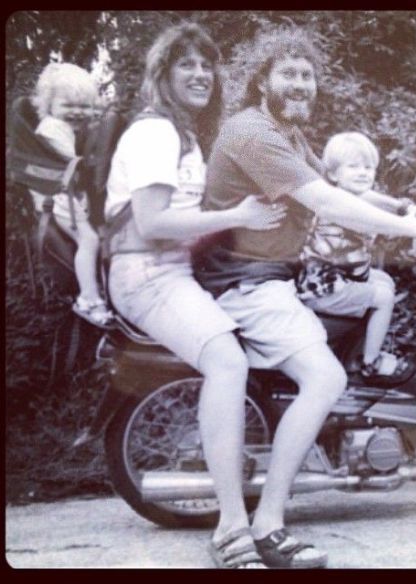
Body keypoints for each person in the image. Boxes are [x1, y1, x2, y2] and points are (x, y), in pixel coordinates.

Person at [195, 27, 416, 569]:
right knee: (326, 378)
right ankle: (267, 524)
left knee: (366, 303)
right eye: (288, 74)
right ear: (262, 81)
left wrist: (408, 211)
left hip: (272, 278)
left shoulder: (287, 135)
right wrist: (415, 232)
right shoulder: (253, 133)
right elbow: (327, 204)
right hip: (247, 284)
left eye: (307, 75)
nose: (300, 84)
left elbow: (340, 189)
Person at [104, 22, 286, 569]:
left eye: (207, 65)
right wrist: (238, 217)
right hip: (148, 274)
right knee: (227, 361)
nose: (201, 74)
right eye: (187, 64)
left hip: (174, 270)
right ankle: (231, 528)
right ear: (162, 74)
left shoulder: (182, 135)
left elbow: (189, 217)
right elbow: (154, 223)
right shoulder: (155, 133)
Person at [296, 131, 416, 380]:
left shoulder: (348, 195)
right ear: (333, 175)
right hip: (323, 288)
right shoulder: (342, 209)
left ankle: (354, 350)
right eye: (354, 167)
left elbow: (376, 201)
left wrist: (412, 210)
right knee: (383, 297)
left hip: (334, 278)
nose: (363, 173)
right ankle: (370, 362)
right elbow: (383, 226)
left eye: (368, 167)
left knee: (384, 280)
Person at [31, 63, 113, 326]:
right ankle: (89, 298)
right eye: (68, 105)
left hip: (58, 193)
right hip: (56, 196)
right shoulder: (53, 129)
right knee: (88, 239)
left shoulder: (59, 126)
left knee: (90, 237)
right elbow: (69, 165)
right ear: (49, 105)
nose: (77, 112)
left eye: (84, 106)